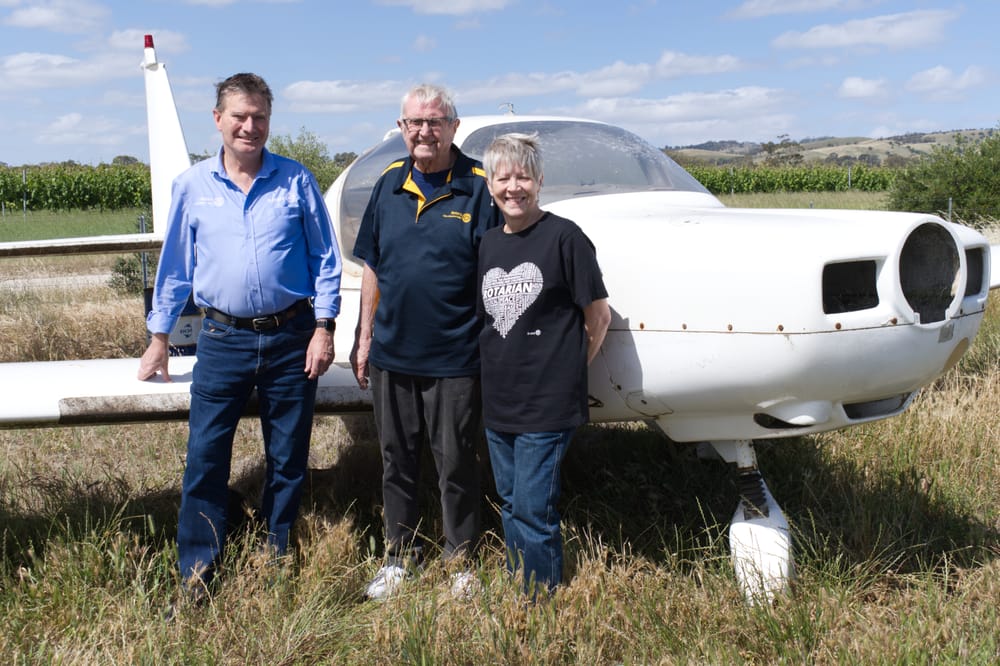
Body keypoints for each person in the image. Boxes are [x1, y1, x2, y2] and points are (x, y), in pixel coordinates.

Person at [139, 72, 342, 602]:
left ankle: (277, 560)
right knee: (206, 456)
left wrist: (324, 328)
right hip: (222, 339)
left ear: (269, 121)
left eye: (259, 117)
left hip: (292, 336)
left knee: (288, 457)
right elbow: (176, 268)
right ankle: (198, 570)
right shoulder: (193, 187)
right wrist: (159, 336)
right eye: (239, 116)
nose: (250, 127)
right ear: (218, 120)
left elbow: (325, 259)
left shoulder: (297, 181)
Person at [351, 83, 498, 600]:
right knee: (397, 460)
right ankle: (400, 558)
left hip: (456, 354)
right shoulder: (389, 183)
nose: (424, 132)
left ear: (453, 127)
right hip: (393, 353)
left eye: (435, 122)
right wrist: (364, 336)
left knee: (456, 461)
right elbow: (373, 265)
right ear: (401, 128)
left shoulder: (479, 186)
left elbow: (496, 270)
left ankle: (462, 562)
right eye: (414, 122)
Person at [477, 132, 611, 598]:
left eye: (523, 177)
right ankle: (519, 580)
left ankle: (540, 597)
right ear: (490, 185)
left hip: (547, 403)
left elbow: (599, 316)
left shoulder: (565, 238)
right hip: (498, 400)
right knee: (511, 501)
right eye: (503, 178)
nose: (513, 187)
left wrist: (570, 370)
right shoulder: (488, 245)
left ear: (539, 182)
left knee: (535, 509)